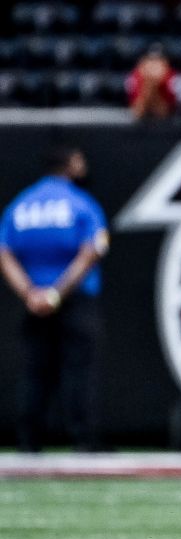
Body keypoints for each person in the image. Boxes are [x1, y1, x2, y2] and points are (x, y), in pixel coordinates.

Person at [0, 146, 109, 453]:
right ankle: (84, 440)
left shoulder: (21, 205)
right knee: (79, 370)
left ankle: (29, 441)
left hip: (33, 301)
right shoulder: (81, 204)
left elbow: (4, 252)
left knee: (35, 372)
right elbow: (92, 251)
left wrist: (30, 294)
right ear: (69, 165)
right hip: (75, 300)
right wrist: (57, 293)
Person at [125, 45, 178, 121]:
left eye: (159, 60)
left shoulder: (173, 79)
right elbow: (138, 113)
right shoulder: (134, 77)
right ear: (141, 63)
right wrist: (148, 85)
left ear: (167, 64)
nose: (154, 65)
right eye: (150, 60)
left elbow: (163, 114)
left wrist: (153, 86)